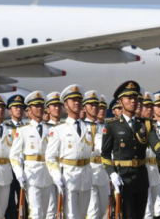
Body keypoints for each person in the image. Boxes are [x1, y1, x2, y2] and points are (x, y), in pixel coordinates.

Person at [102, 81, 160, 219]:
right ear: (120, 102)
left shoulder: (145, 124)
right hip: (123, 177)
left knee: (140, 215)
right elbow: (105, 154)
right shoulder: (112, 125)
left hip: (141, 177)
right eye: (129, 98)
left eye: (135, 98)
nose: (133, 101)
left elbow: (156, 144)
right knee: (127, 216)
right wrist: (112, 174)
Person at [45, 84, 93, 219]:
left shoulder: (89, 128)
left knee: (83, 216)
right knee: (71, 216)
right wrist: (56, 176)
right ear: (65, 105)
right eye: (73, 100)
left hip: (86, 178)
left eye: (79, 100)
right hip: (69, 177)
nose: (77, 103)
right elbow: (50, 156)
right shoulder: (58, 129)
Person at [10, 91, 55, 219]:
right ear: (29, 110)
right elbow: (13, 155)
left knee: (48, 213)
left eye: (41, 105)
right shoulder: (23, 130)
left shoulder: (51, 129)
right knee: (36, 213)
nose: (39, 108)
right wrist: (19, 172)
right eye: (36, 106)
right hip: (31, 175)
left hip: (48, 175)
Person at [82, 90, 111, 219]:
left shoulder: (107, 127)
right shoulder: (80, 126)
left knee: (102, 211)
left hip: (103, 173)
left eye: (97, 105)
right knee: (92, 212)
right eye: (91, 105)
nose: (95, 108)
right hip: (88, 172)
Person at [142, 92, 160, 219]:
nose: (149, 109)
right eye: (146, 106)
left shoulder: (153, 126)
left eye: (151, 106)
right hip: (143, 169)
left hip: (155, 170)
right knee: (148, 211)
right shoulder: (137, 125)